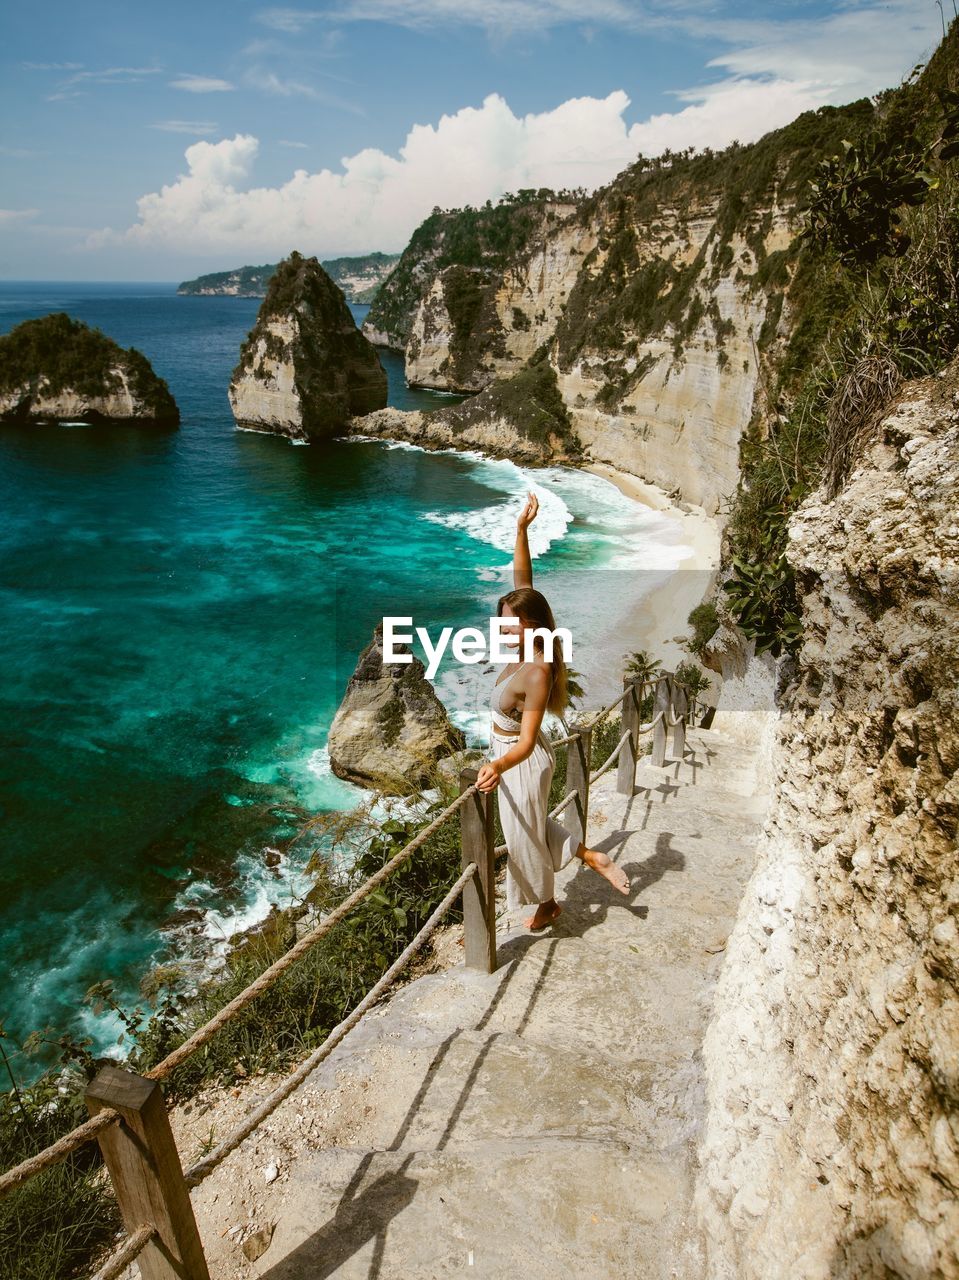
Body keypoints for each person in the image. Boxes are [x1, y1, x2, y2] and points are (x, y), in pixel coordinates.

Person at [475, 490, 630, 930]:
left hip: (522, 760)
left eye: (512, 621)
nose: (504, 626)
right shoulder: (524, 644)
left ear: (534, 625)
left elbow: (525, 740)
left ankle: (547, 903)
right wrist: (522, 530)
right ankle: (591, 858)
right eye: (502, 619)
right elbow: (523, 582)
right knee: (533, 826)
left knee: (523, 837)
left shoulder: (538, 669)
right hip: (516, 758)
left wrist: (497, 765)